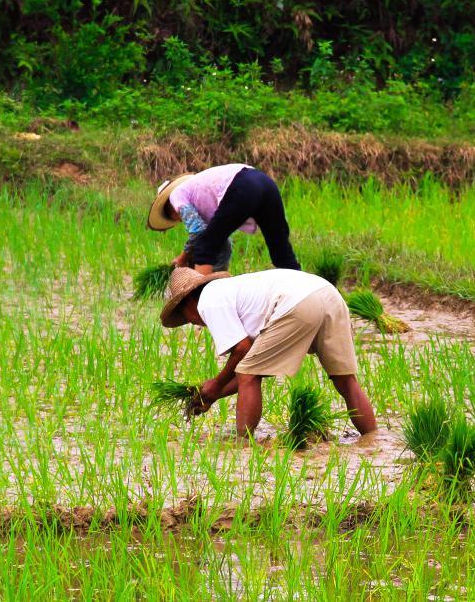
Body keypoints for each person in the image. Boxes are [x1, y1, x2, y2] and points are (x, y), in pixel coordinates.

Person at [159, 266, 377, 438]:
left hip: (297, 302)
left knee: (247, 374)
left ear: (188, 302)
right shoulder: (231, 291)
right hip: (328, 293)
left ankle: (243, 446)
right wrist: (213, 393)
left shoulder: (208, 302)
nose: (192, 322)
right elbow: (255, 367)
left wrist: (215, 384)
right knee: (345, 380)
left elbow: (243, 356)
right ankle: (372, 440)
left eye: (185, 317)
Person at [147, 164, 300, 274]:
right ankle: (304, 295)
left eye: (177, 218)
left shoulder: (176, 196)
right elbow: (221, 242)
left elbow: (198, 232)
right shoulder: (198, 194)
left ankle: (201, 301)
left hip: (242, 185)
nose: (181, 219)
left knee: (203, 250)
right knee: (282, 253)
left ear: (172, 210)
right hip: (266, 183)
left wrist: (182, 258)